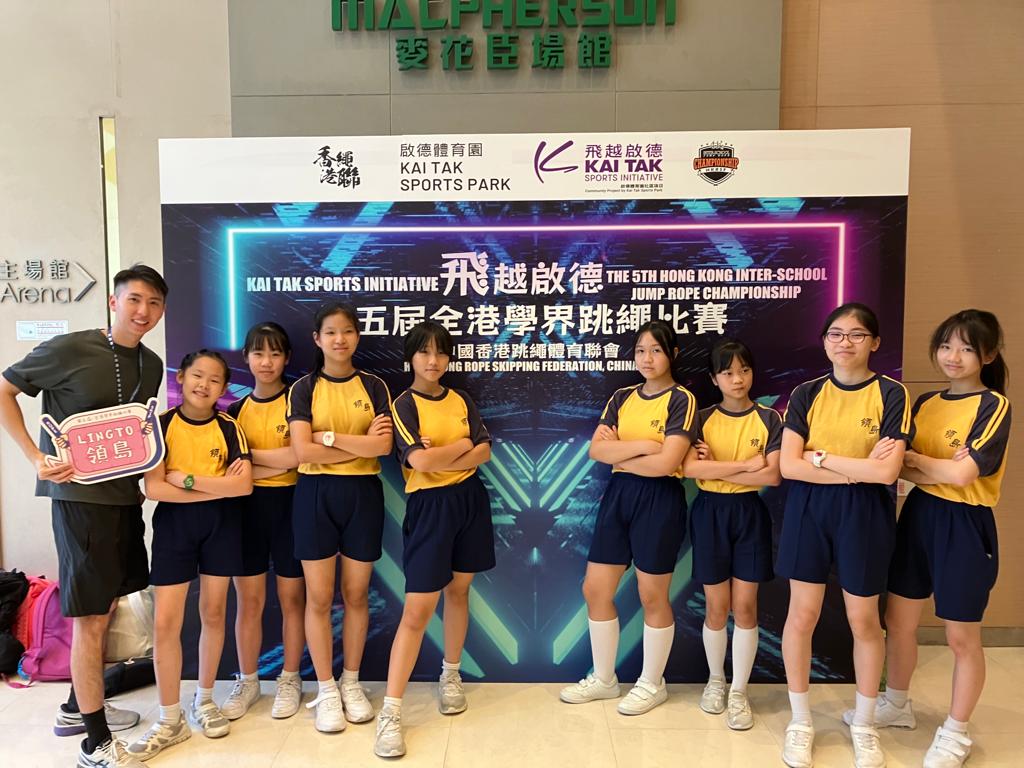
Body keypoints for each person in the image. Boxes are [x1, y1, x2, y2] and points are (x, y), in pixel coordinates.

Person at [0, 264, 167, 768]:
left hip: (124, 501)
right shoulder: (69, 348)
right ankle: (95, 744)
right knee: (90, 618)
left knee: (108, 605)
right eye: (134, 299)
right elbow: (5, 390)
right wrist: (35, 456)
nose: (143, 311)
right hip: (79, 502)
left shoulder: (152, 364)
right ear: (113, 302)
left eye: (154, 303)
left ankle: (79, 705)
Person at [865, 310, 1010, 768]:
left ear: (988, 355)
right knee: (898, 619)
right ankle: (897, 703)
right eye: (946, 346)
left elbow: (965, 475)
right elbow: (898, 467)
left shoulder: (993, 405)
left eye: (967, 348)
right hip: (919, 514)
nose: (953, 356)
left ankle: (956, 731)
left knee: (961, 635)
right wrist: (936, 466)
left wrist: (921, 461)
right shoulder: (925, 402)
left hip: (966, 524)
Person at [776, 302, 909, 768]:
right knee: (802, 615)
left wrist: (820, 457)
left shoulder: (891, 393)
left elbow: (887, 472)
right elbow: (788, 465)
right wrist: (855, 470)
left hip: (865, 514)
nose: (845, 343)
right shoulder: (807, 392)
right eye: (835, 334)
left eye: (856, 334)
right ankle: (800, 722)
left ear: (874, 342)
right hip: (809, 510)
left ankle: (865, 724)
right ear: (825, 341)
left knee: (864, 620)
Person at [559, 319, 695, 716]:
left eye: (656, 350)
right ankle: (605, 679)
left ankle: (653, 683)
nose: (647, 358)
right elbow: (597, 452)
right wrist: (646, 445)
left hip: (660, 498)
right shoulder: (621, 397)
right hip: (619, 496)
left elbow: (669, 463)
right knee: (595, 589)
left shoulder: (682, 399)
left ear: (672, 355)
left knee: (652, 595)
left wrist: (623, 452)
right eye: (640, 351)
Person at [375, 321, 495, 759]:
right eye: (424, 352)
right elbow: (419, 462)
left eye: (441, 352)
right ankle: (391, 712)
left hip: (470, 501)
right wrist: (460, 446)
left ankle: (451, 673)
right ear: (411, 357)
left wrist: (445, 452)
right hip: (429, 507)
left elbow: (485, 451)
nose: (433, 360)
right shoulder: (403, 404)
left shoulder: (461, 399)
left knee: (459, 592)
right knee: (418, 610)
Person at [126, 349, 253, 760]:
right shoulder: (161, 426)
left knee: (213, 613)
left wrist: (188, 480)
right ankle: (169, 718)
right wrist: (215, 486)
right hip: (174, 528)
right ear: (181, 377)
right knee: (166, 622)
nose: (204, 385)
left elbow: (243, 487)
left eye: (215, 380)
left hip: (222, 527)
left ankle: (205, 699)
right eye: (198, 375)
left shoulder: (230, 427)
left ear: (224, 387)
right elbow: (155, 489)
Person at [286, 302, 392, 733]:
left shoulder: (374, 385)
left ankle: (350, 681)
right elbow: (302, 450)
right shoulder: (304, 388)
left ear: (357, 336)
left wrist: (328, 438)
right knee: (318, 596)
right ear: (317, 339)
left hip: (363, 494)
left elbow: (382, 448)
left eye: (347, 331)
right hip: (315, 494)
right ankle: (326, 689)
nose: (339, 339)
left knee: (357, 594)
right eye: (330, 332)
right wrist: (356, 444)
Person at [682, 338, 782, 730]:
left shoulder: (770, 419)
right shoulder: (702, 418)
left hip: (749, 513)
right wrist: (744, 466)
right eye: (727, 372)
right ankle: (715, 681)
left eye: (744, 370)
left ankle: (739, 690)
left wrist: (720, 467)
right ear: (714, 378)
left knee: (745, 607)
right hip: (709, 512)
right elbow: (691, 470)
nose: (737, 379)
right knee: (715, 606)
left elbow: (772, 475)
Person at [221, 322, 305, 721]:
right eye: (258, 353)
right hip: (246, 511)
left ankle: (290, 679)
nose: (266, 362)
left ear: (287, 358)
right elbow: (231, 471)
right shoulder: (234, 412)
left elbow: (299, 458)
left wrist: (252, 459)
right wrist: (277, 461)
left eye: (274, 353)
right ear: (247, 358)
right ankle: (249, 680)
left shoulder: (298, 401)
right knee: (249, 601)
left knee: (293, 600)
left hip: (292, 507)